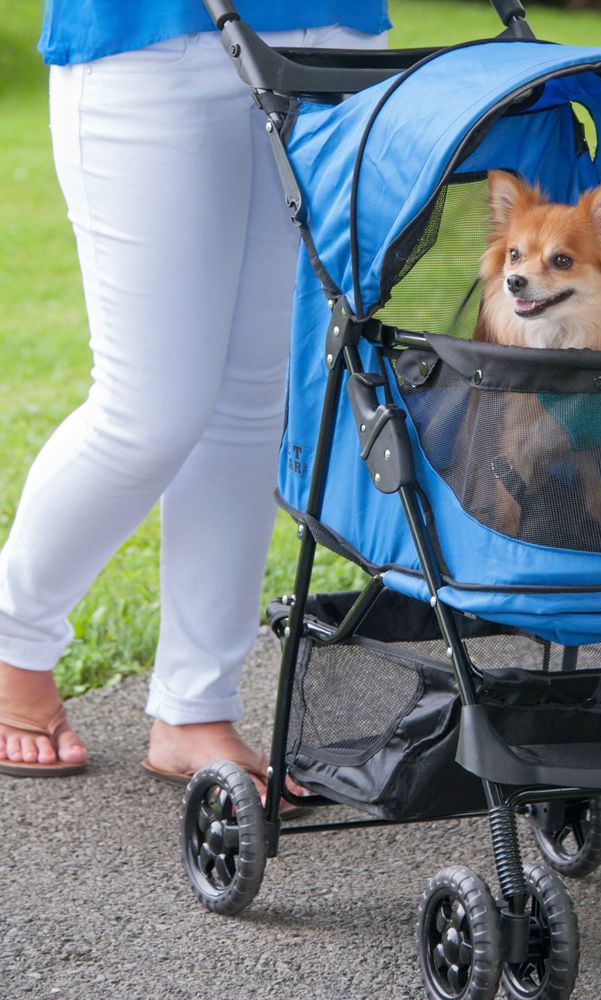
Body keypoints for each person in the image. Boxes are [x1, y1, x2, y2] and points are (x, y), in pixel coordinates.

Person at [0, 1, 390, 786]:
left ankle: (194, 705)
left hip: (334, 31)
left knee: (254, 402)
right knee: (148, 411)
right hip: (151, 34)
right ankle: (13, 641)